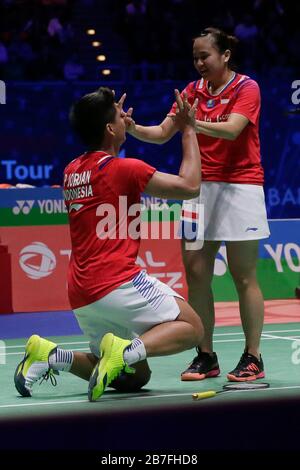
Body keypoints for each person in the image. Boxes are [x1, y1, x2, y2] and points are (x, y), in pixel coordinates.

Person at [14, 87, 204, 402]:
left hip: (82, 292)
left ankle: (48, 355)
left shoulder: (71, 171)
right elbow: (190, 186)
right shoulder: (125, 169)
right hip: (117, 280)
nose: (124, 117)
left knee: (135, 377)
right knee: (191, 326)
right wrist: (188, 129)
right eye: (119, 115)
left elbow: (106, 173)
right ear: (109, 128)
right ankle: (124, 351)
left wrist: (122, 127)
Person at [125, 27, 270, 382]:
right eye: (195, 57)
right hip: (196, 194)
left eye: (205, 55)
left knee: (244, 276)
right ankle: (206, 355)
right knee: (197, 276)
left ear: (225, 56)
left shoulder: (246, 88)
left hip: (240, 189)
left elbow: (233, 129)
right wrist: (131, 128)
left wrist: (194, 122)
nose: (199, 63)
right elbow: (162, 132)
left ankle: (253, 356)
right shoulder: (192, 92)